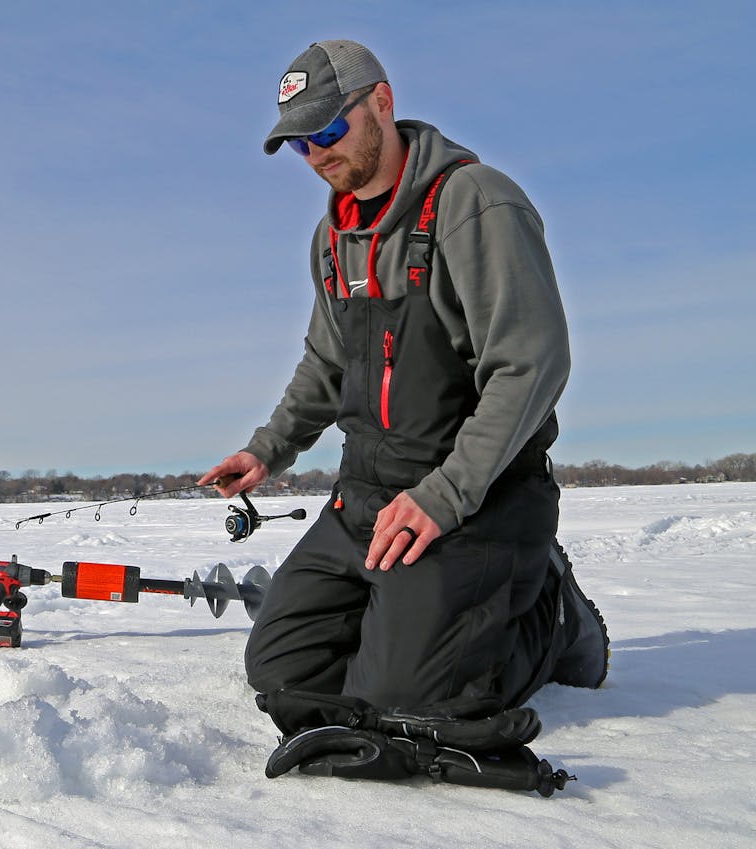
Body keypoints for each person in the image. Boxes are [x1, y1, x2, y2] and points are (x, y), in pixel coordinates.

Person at [199, 39, 608, 792]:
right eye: (300, 142)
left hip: (474, 500)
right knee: (282, 671)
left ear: (380, 105)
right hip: (367, 497)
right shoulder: (333, 238)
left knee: (401, 700)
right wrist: (269, 449)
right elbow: (327, 364)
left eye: (328, 131)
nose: (315, 154)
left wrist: (442, 495)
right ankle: (414, 621)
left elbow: (531, 366)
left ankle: (550, 618)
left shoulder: (474, 203)